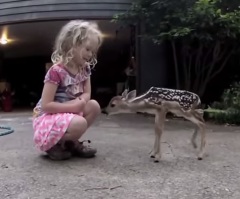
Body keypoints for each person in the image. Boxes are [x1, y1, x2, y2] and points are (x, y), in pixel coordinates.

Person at [32, 20, 103, 160]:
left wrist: (81, 101)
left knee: (94, 106)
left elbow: (87, 93)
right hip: (49, 118)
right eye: (87, 49)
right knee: (79, 123)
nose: (90, 55)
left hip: (70, 113)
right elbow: (46, 106)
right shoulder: (56, 71)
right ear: (72, 45)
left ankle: (71, 142)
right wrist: (73, 106)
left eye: (93, 52)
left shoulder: (85, 69)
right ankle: (53, 145)